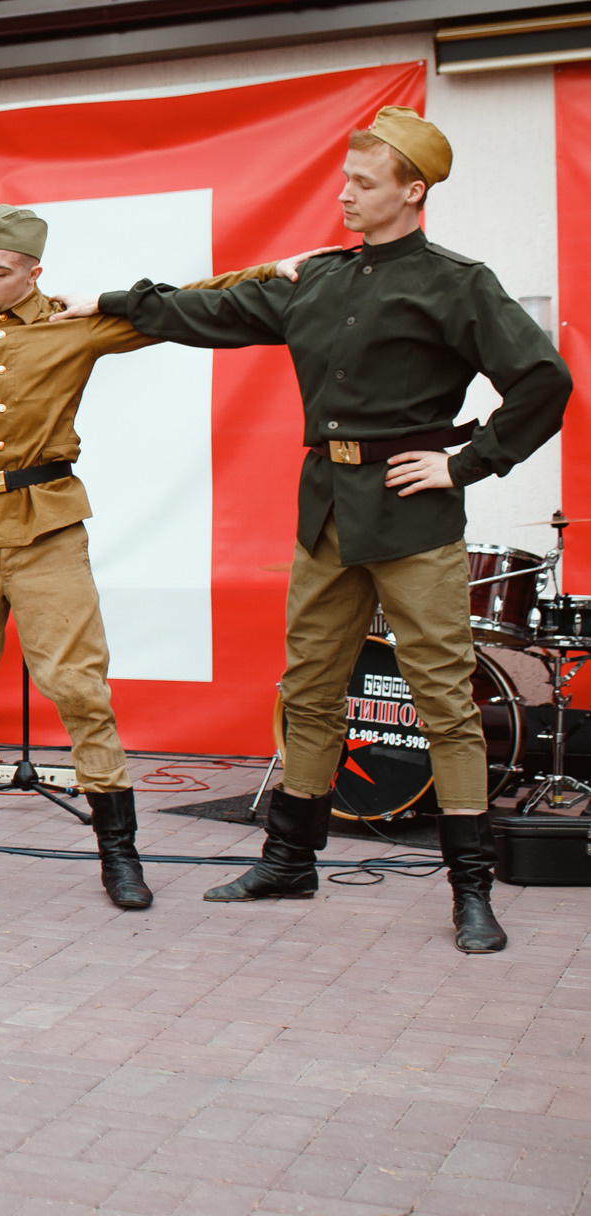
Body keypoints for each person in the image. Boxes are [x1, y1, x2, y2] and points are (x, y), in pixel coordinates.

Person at [52, 106, 571, 954]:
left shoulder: (457, 283)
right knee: (308, 692)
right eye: (344, 180)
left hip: (413, 518)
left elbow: (544, 381)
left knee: (445, 703)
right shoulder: (321, 278)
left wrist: (467, 463)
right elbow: (212, 312)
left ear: (413, 191)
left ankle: (471, 891)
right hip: (326, 512)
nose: (345, 195)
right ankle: (290, 861)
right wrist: (110, 302)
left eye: (363, 183)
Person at [0, 206, 310, 908]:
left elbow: (179, 301)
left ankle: (119, 858)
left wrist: (268, 270)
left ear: (34, 273)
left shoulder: (73, 321)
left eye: (0, 271)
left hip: (47, 530)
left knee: (79, 690)